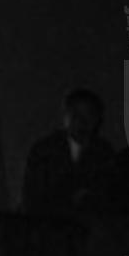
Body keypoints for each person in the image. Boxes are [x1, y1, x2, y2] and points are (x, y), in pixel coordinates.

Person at [20, 89, 117, 217]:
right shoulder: (45, 150)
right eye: (76, 115)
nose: (82, 121)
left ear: (97, 119)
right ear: (65, 117)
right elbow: (33, 197)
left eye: (89, 114)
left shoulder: (104, 152)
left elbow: (109, 195)